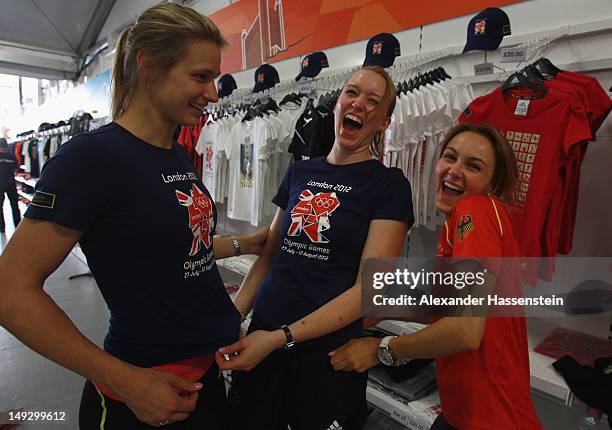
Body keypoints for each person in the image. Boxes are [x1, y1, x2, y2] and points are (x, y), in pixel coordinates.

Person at [0, 4, 267, 429]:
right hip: (143, 397)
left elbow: (166, 246)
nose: (214, 93)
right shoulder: (91, 159)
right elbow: (10, 291)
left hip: (208, 380)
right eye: (200, 77)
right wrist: (124, 382)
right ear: (148, 65)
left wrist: (245, 244)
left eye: (213, 78)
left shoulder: (175, 151)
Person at [216, 66, 415, 429]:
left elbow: (367, 290)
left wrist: (280, 338)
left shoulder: (389, 186)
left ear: (384, 122)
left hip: (326, 352)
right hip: (264, 331)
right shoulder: (300, 171)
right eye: (352, 93)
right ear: (337, 103)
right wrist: (234, 313)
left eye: (374, 101)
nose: (360, 104)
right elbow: (270, 256)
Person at [328, 123, 543, 430]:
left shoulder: (474, 211)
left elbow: (465, 329)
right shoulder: (466, 219)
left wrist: (382, 350)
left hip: (491, 418)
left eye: (473, 166)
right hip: (467, 412)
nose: (454, 170)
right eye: (450, 157)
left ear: (492, 184)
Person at [0, 137, 21, 233]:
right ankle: (18, 226)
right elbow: (16, 168)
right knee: (14, 205)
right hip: (11, 183)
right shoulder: (11, 156)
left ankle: (1, 228)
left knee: (0, 206)